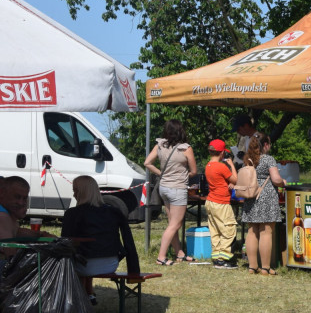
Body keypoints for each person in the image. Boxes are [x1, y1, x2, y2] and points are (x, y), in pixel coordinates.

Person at [60, 175, 140, 303]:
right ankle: (89, 294)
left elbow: (65, 242)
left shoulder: (72, 213)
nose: (74, 194)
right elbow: (128, 239)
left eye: (75, 190)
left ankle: (80, 298)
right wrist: (134, 270)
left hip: (84, 266)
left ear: (82, 192)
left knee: (77, 257)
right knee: (84, 254)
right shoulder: (114, 211)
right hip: (111, 263)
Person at [144, 119, 197, 266]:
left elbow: (147, 163)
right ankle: (161, 256)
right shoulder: (186, 149)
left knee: (172, 222)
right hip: (178, 189)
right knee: (175, 224)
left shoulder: (159, 145)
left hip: (164, 188)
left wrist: (161, 173)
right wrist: (183, 175)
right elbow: (193, 171)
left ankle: (179, 253)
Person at [239, 132, 286, 276]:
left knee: (252, 231)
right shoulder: (269, 159)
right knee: (266, 231)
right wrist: (284, 182)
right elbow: (276, 179)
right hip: (265, 196)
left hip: (251, 196)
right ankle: (265, 268)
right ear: (265, 145)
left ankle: (252, 267)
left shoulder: (247, 160)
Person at [204, 139, 238, 269]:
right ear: (222, 153)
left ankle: (217, 258)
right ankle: (224, 260)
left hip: (211, 201)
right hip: (221, 202)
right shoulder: (221, 166)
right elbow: (235, 179)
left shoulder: (209, 166)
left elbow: (222, 181)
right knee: (228, 230)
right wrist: (232, 165)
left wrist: (229, 183)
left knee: (216, 230)